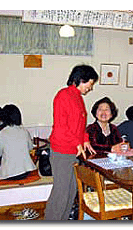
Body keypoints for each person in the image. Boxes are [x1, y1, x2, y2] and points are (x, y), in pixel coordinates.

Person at [45, 65, 98, 220]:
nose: (91, 87)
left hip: (73, 151)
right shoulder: (63, 95)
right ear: (81, 79)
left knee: (71, 190)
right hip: (61, 151)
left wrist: (85, 139)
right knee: (61, 193)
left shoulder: (78, 98)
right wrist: (77, 142)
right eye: (90, 83)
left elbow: (79, 125)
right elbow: (62, 126)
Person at [0, 104, 36, 180]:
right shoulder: (24, 131)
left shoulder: (1, 134)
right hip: (26, 171)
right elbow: (30, 148)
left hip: (9, 173)